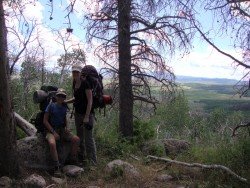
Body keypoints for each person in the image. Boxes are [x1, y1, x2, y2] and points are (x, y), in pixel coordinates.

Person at [66, 64, 97, 166]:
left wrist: (87, 116)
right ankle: (82, 158)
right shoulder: (74, 82)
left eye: (77, 72)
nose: (75, 74)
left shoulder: (86, 83)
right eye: (73, 72)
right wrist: (66, 102)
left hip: (87, 115)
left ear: (80, 73)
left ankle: (93, 163)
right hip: (78, 114)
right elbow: (76, 98)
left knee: (88, 138)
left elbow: (90, 101)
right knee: (80, 137)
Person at [43, 88, 80, 176]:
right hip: (50, 130)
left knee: (76, 139)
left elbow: (65, 119)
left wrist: (67, 128)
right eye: (59, 95)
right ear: (56, 96)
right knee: (52, 143)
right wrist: (53, 132)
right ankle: (57, 167)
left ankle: (72, 160)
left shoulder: (64, 107)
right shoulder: (51, 106)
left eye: (63, 96)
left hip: (62, 130)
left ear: (65, 97)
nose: (61, 97)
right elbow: (45, 121)